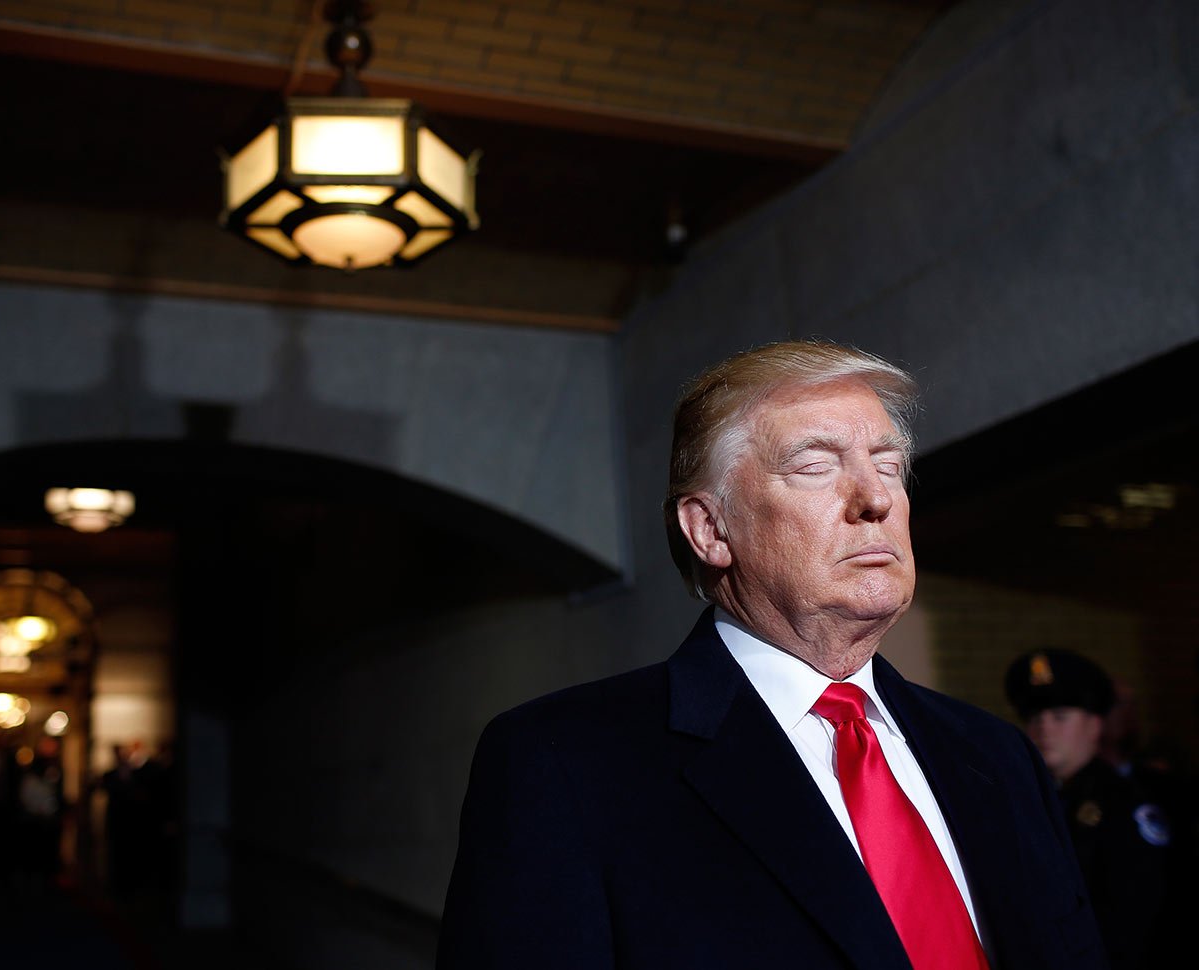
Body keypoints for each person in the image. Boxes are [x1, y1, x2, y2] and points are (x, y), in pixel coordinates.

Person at [438, 340, 1106, 969]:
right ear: (709, 528)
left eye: (888, 465)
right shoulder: (562, 764)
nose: (875, 499)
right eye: (816, 466)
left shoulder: (996, 754)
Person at [1004, 648, 1170, 969]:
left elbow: (1135, 923)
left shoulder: (1126, 805)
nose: (1045, 729)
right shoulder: (1023, 797)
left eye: (1060, 717)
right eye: (1036, 718)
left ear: (1094, 726)